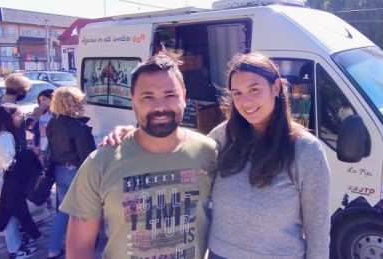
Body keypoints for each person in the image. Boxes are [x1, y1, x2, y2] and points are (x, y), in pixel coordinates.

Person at [103, 52, 332, 258]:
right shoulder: (223, 137)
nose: (246, 101)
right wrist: (137, 135)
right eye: (237, 93)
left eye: (254, 90)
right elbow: (180, 149)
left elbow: (318, 230)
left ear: (275, 88)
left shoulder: (305, 150)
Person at [61, 52, 217, 259]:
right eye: (148, 97)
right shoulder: (100, 162)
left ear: (184, 97)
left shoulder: (210, 152)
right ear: (132, 99)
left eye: (170, 95)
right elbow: (80, 246)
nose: (160, 107)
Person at [45, 86, 96, 259]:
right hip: (75, 171)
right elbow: (86, 154)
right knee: (84, 210)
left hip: (59, 170)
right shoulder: (75, 125)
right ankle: (81, 248)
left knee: (63, 211)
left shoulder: (54, 121)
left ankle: (53, 248)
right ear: (74, 102)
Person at [0, 103, 40, 258]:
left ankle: (18, 240)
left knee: (13, 211)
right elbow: (10, 164)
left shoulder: (2, 134)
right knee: (10, 214)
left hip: (8, 180)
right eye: (19, 116)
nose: (22, 119)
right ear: (8, 118)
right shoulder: (5, 137)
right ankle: (15, 249)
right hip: (7, 181)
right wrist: (30, 155)